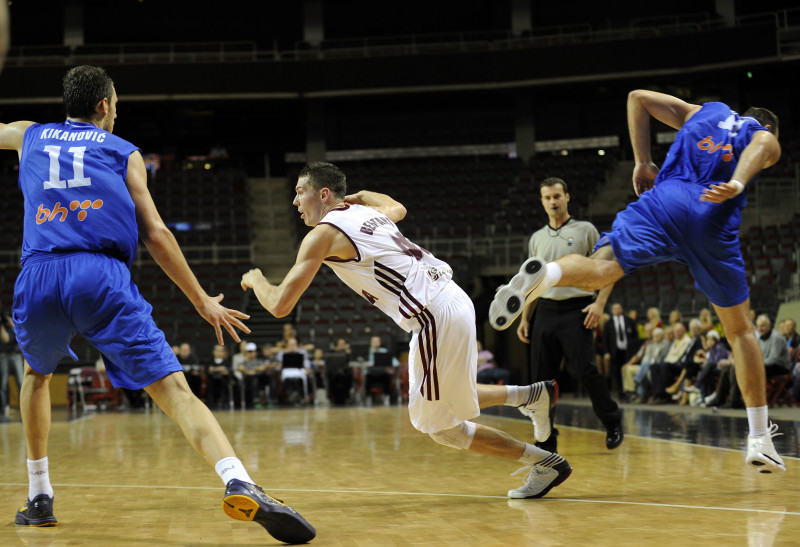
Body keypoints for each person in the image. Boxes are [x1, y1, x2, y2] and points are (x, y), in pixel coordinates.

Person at [0, 66, 315, 542]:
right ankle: (238, 479)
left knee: (36, 376)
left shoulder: (30, 136)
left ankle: (40, 495)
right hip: (98, 274)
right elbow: (157, 234)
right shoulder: (122, 152)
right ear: (104, 105)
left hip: (38, 274)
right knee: (174, 392)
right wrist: (202, 301)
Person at [490, 89, 785, 472]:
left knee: (601, 270)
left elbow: (637, 98)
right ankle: (760, 437)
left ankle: (549, 272)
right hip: (711, 214)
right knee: (740, 331)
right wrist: (740, 182)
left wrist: (644, 162)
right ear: (765, 122)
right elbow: (763, 142)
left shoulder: (705, 111)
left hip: (664, 200)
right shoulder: (756, 131)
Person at [241, 161, 572, 499]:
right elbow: (397, 208)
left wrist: (256, 280)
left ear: (323, 194)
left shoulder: (323, 235)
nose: (295, 201)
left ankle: (545, 462)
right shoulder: (363, 211)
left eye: (300, 192)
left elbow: (280, 305)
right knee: (440, 401)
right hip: (449, 300)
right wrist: (358, 196)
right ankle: (531, 395)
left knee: (443, 429)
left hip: (433, 317)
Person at [515, 177, 622, 453]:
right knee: (541, 381)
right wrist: (526, 317)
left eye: (557, 196)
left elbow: (610, 267)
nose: (553, 201)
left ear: (567, 197)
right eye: (548, 198)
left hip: (578, 308)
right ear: (542, 202)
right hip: (546, 311)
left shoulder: (585, 230)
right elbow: (533, 282)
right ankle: (547, 441)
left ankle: (612, 421)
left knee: (585, 371)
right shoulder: (536, 239)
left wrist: (599, 304)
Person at [602, 301, 639, 397]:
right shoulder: (608, 323)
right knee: (617, 372)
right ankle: (621, 393)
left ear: (622, 309)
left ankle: (628, 392)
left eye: (619, 308)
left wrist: (635, 350)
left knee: (626, 370)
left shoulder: (629, 321)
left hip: (628, 351)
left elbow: (635, 336)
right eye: (615, 309)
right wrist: (606, 352)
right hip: (615, 352)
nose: (618, 310)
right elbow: (605, 339)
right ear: (612, 311)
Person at [1, 303, 24, 418]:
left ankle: (24, 408)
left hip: (16, 355)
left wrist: (12, 324)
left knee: (21, 382)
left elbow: (21, 336)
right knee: (3, 384)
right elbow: (5, 340)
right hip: (4, 355)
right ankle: (4, 408)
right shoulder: (2, 326)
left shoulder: (15, 323)